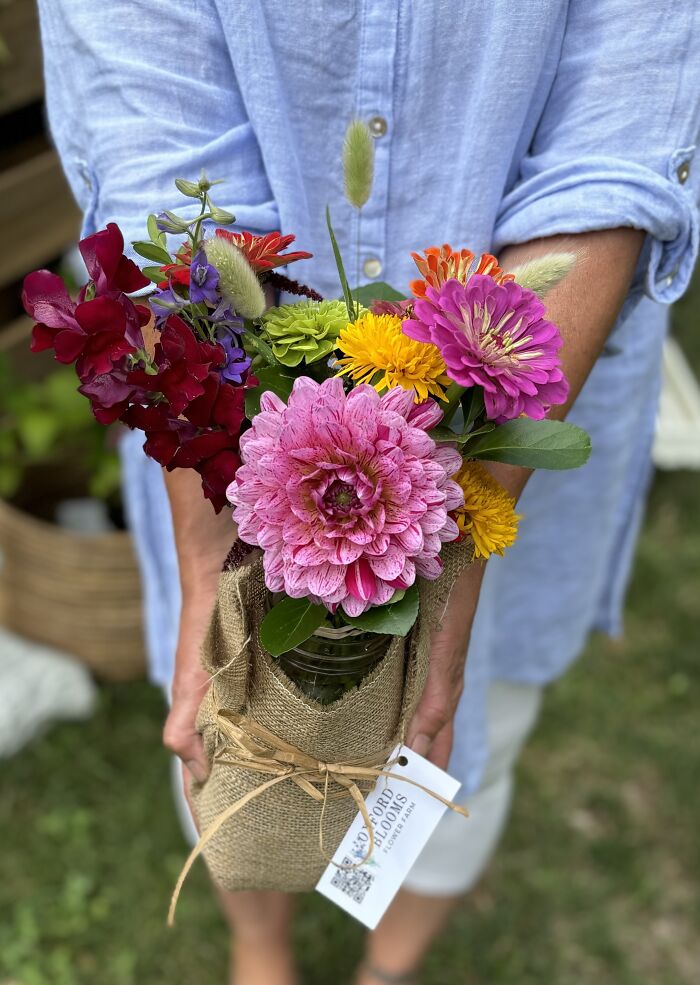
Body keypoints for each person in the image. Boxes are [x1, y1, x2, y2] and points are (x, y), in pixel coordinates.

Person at [37, 2, 699, 983]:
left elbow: (611, 154)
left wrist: (457, 524)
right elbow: (160, 171)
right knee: (232, 721)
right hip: (227, 447)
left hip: (527, 387)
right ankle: (258, 950)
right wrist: (213, 540)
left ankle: (386, 970)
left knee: (465, 735)